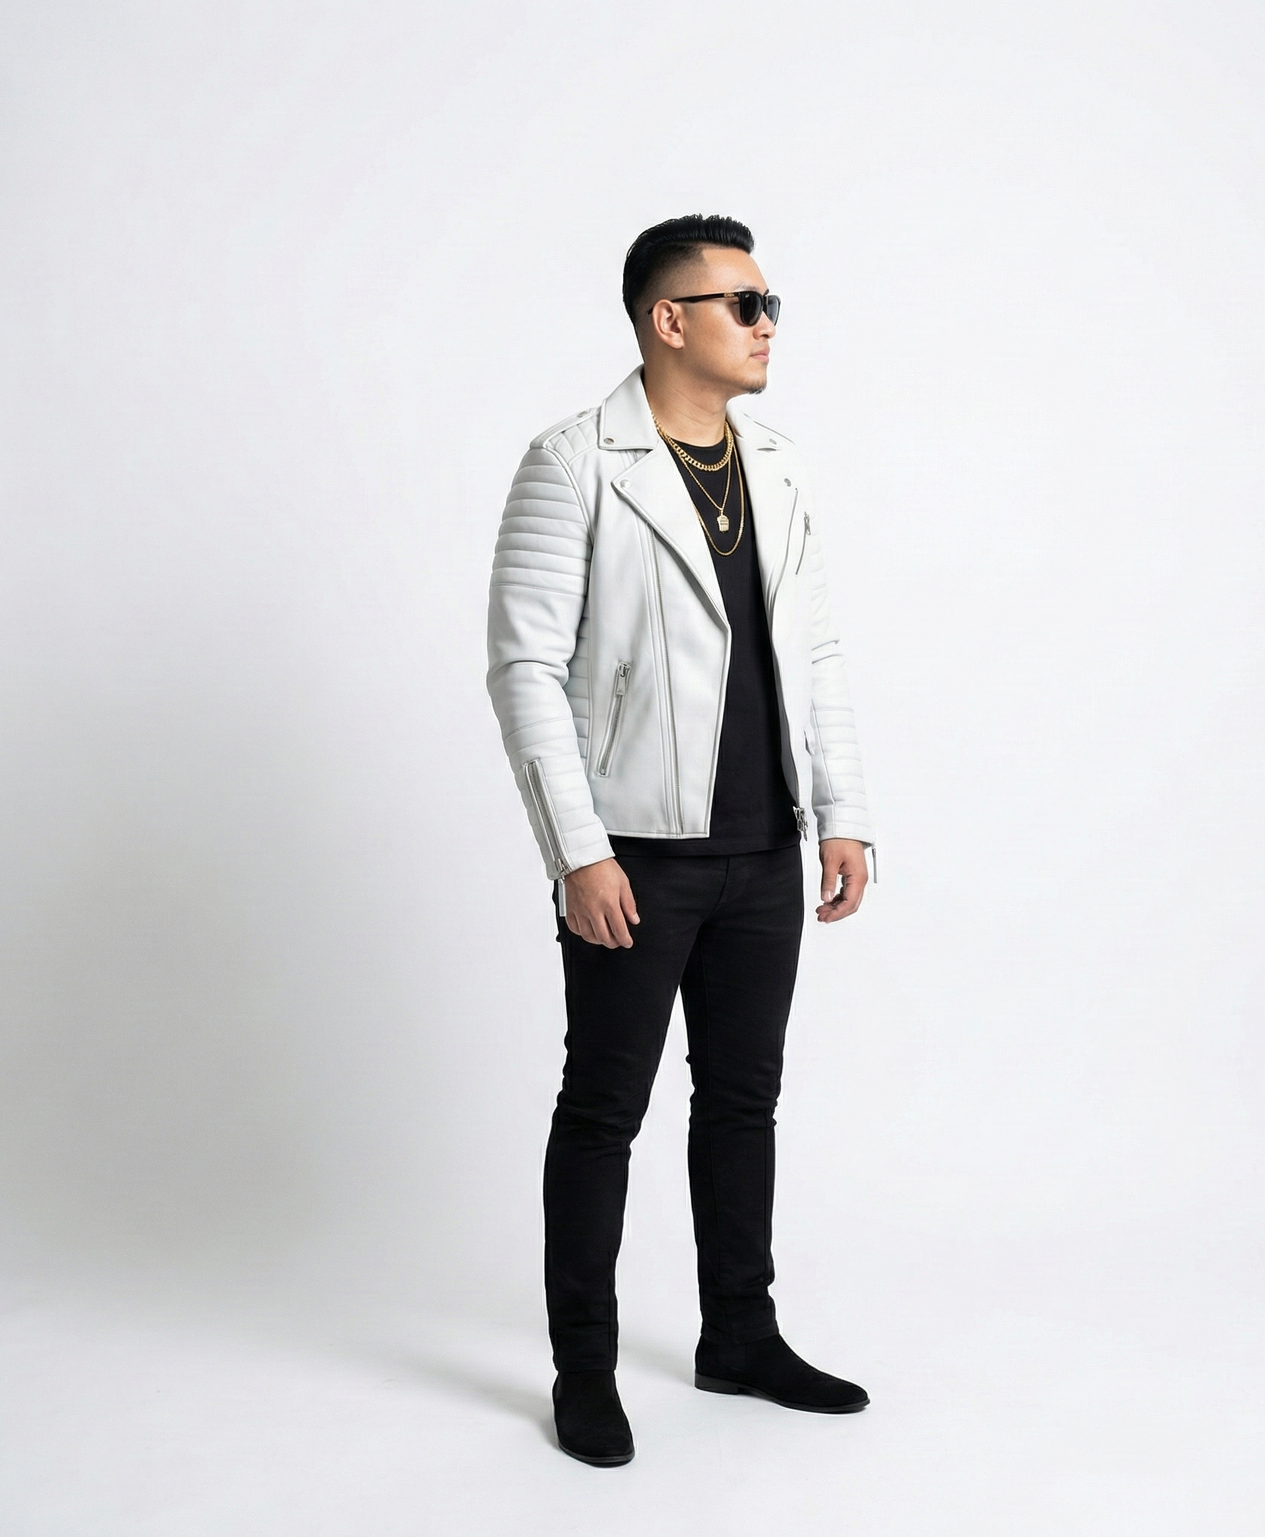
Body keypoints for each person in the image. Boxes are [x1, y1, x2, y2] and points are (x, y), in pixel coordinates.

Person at [486, 214, 874, 1467]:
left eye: (768, 304)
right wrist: (576, 850)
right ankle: (583, 1372)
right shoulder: (571, 462)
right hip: (637, 853)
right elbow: (523, 667)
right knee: (603, 1108)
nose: (766, 325)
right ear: (669, 320)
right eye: (742, 304)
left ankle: (739, 1337)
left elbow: (814, 651)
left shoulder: (779, 466)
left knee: (743, 1101)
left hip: (766, 846)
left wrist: (843, 810)